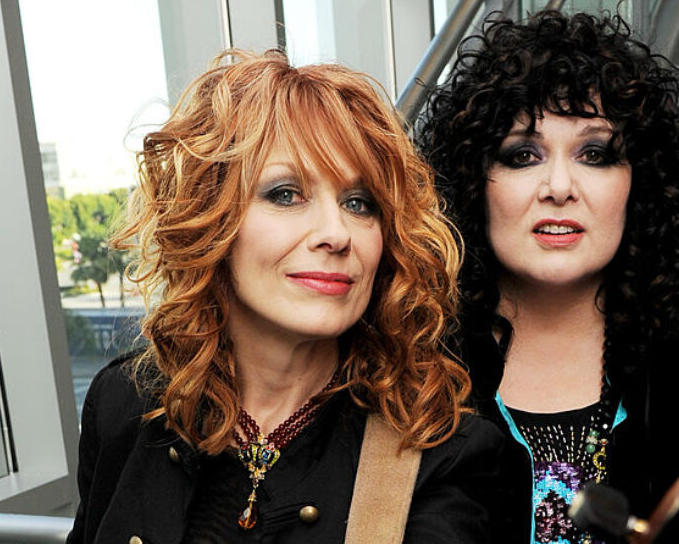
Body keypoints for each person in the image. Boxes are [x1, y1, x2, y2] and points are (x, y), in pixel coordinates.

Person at [67, 49, 526, 543]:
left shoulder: (448, 457)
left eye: (359, 203)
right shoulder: (124, 405)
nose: (336, 233)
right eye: (285, 194)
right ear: (208, 220)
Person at [417, 10, 679, 543]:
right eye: (522, 155)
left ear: (638, 184)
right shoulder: (412, 368)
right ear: (472, 183)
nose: (558, 186)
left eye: (594, 154)